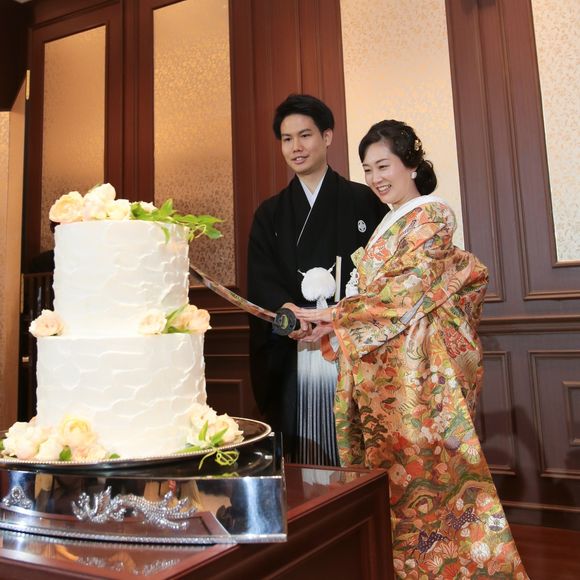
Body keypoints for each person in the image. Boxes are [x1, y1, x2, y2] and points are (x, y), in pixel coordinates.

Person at [296, 120, 528, 577]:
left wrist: (337, 316)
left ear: (412, 165)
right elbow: (380, 298)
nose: (376, 178)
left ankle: (455, 567)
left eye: (384, 166)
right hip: (387, 369)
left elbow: (407, 289)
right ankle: (401, 566)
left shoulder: (432, 215)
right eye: (368, 169)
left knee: (427, 471)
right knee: (393, 473)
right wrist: (331, 323)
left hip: (417, 375)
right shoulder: (392, 221)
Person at [247, 94, 386, 465]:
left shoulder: (364, 201)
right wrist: (287, 310)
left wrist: (340, 316)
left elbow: (383, 273)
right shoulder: (270, 214)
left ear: (327, 136)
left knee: (357, 448)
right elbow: (261, 277)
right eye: (287, 139)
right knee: (301, 453)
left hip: (348, 343)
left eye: (305, 135)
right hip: (295, 345)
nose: (296, 147)